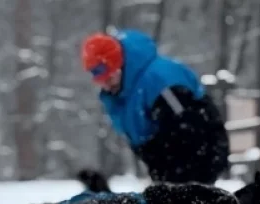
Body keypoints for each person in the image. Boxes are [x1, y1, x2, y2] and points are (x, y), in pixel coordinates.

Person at [81, 29, 229, 185]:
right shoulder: (123, 95)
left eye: (109, 77)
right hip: (168, 166)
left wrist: (175, 183)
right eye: (100, 80)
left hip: (197, 155)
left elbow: (188, 131)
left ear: (120, 65)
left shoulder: (158, 81)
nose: (105, 84)